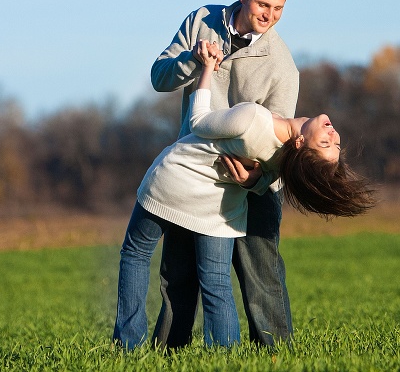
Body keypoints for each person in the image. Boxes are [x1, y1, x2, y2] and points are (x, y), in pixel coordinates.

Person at [112, 40, 373, 349]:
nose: (334, 135)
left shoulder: (253, 119)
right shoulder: (280, 163)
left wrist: (206, 69)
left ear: (302, 144)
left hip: (174, 185)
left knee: (136, 253)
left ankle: (128, 347)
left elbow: (197, 121)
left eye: (326, 144)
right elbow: (262, 183)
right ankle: (227, 358)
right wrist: (254, 182)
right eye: (335, 143)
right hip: (219, 211)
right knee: (217, 285)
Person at [149, 0, 299, 348]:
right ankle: (167, 354)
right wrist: (194, 61)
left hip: (252, 183)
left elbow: (280, 148)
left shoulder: (282, 66)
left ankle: (276, 355)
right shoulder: (201, 20)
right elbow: (159, 78)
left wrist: (256, 180)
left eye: (279, 9)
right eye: (264, 4)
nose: (270, 16)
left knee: (261, 275)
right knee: (178, 275)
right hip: (194, 173)